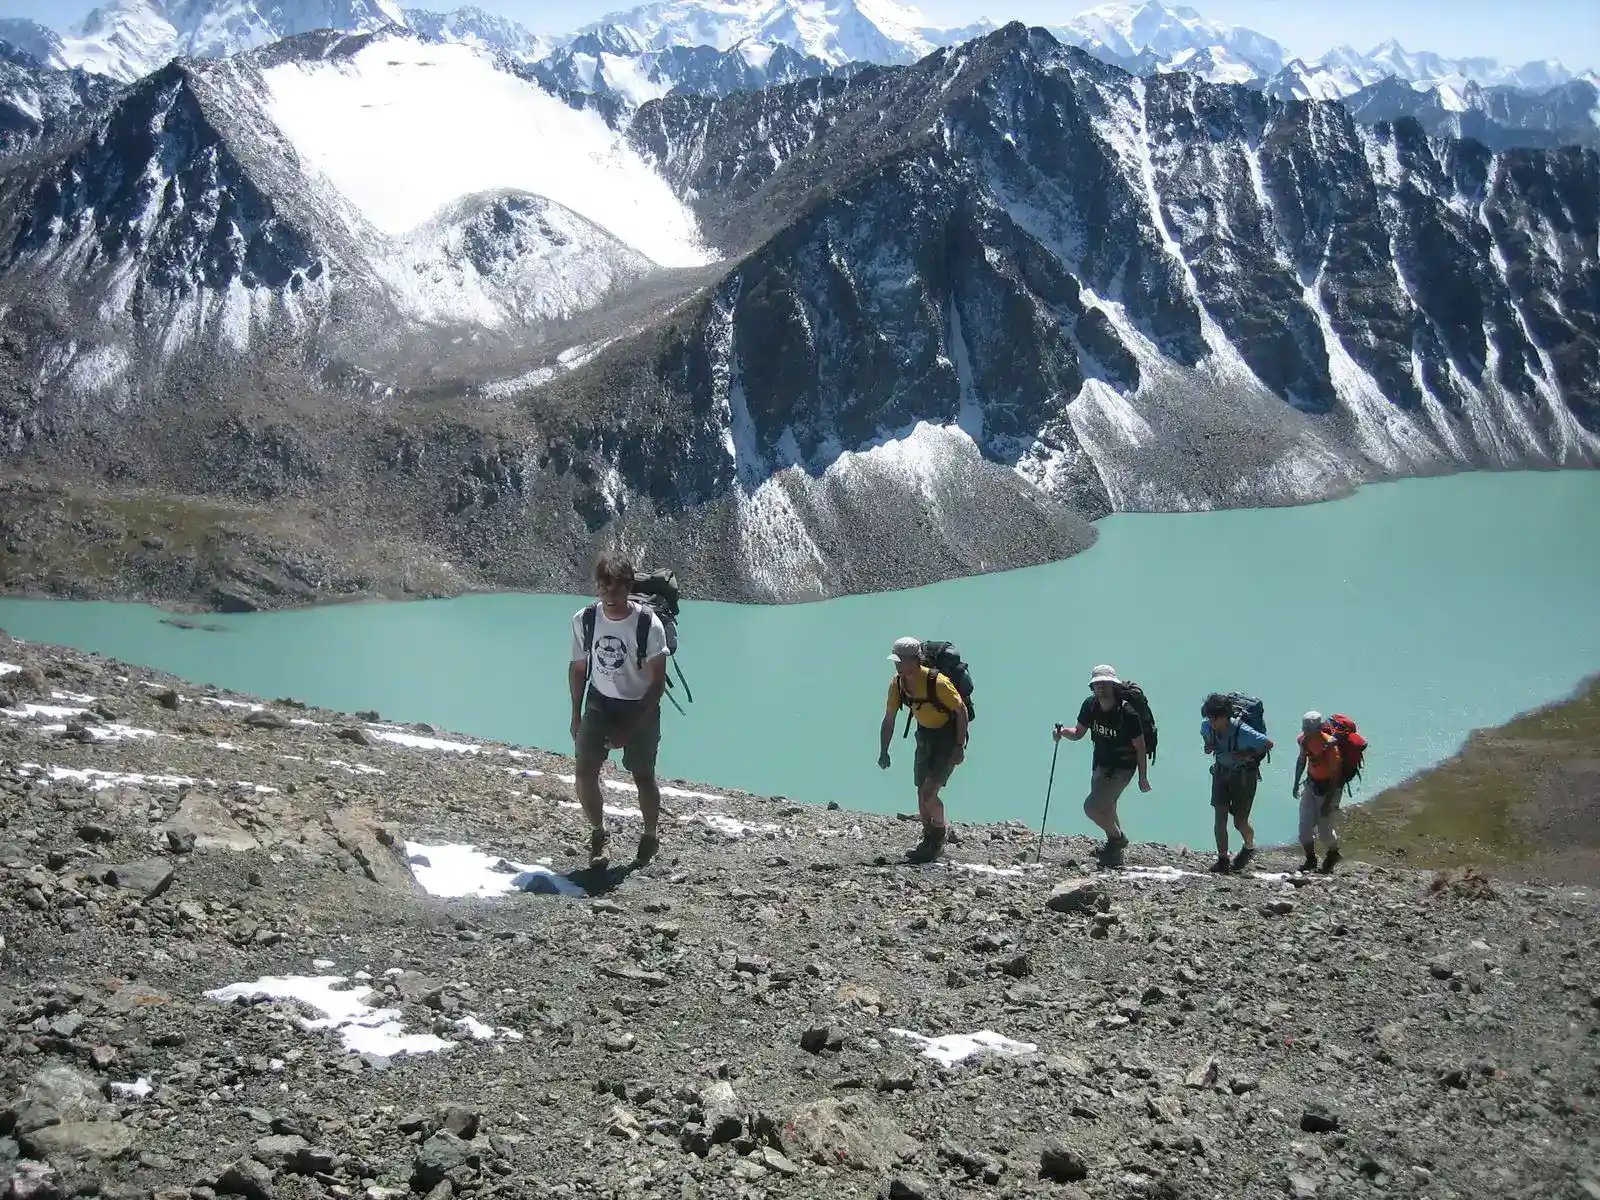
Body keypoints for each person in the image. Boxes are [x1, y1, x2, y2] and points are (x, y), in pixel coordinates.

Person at [568, 551, 669, 869]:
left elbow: (657, 683)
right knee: (584, 773)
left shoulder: (647, 624)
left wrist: (630, 726)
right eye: (603, 586)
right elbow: (578, 667)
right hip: (599, 703)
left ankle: (650, 834)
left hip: (639, 706)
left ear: (628, 587)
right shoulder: (584, 619)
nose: (609, 594)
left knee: (642, 776)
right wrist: (575, 714)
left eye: (617, 587)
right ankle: (599, 833)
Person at [878, 636, 968, 863]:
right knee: (921, 793)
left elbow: (961, 711)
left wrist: (958, 746)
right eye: (895, 660)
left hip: (947, 738)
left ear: (914, 660)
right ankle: (928, 838)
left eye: (900, 660)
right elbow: (889, 719)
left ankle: (938, 838)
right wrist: (884, 751)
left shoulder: (937, 682)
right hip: (925, 735)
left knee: (929, 793)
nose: (896, 665)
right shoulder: (897, 683)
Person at [1052, 664, 1151, 866]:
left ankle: (1117, 839)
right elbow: (1079, 733)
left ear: (1113, 685)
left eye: (1105, 683)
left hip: (1123, 767)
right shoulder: (1090, 706)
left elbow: (1140, 747)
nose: (1101, 687)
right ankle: (1114, 855)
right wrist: (1062, 733)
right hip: (1100, 764)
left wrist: (1142, 777)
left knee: (1092, 807)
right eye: (1097, 684)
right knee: (1108, 808)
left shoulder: (1128, 713)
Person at [1200, 693, 1273, 873]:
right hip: (1221, 773)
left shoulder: (1243, 731)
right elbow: (1208, 743)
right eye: (1208, 717)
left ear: (1225, 716)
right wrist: (1208, 745)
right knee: (1220, 816)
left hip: (1244, 776)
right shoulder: (1206, 727)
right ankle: (1222, 858)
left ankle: (1249, 847)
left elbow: (1268, 744)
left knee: (1239, 822)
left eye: (1214, 718)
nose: (1210, 722)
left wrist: (1247, 755)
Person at [1292, 711, 1343, 874]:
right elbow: (1301, 760)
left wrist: (1328, 802)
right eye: (1305, 729)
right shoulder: (1303, 741)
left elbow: (1335, 775)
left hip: (1328, 789)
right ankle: (1310, 859)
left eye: (1309, 730)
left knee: (1325, 832)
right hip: (1311, 785)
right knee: (1304, 828)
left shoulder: (1329, 745)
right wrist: (1295, 783)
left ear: (1318, 729)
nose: (1306, 732)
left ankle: (1334, 852)